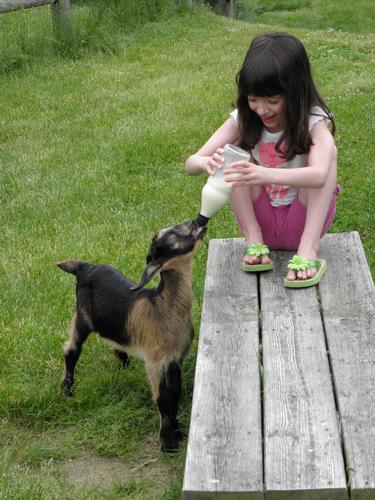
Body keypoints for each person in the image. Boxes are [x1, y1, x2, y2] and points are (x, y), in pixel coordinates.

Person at [185, 31, 339, 288]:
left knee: (328, 153)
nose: (261, 109)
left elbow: (320, 175)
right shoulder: (244, 120)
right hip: (260, 223)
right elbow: (192, 162)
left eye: (272, 100)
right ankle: (253, 240)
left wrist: (264, 174)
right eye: (253, 99)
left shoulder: (313, 121)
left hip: (302, 222)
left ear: (296, 93)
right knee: (233, 152)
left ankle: (309, 250)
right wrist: (206, 163)